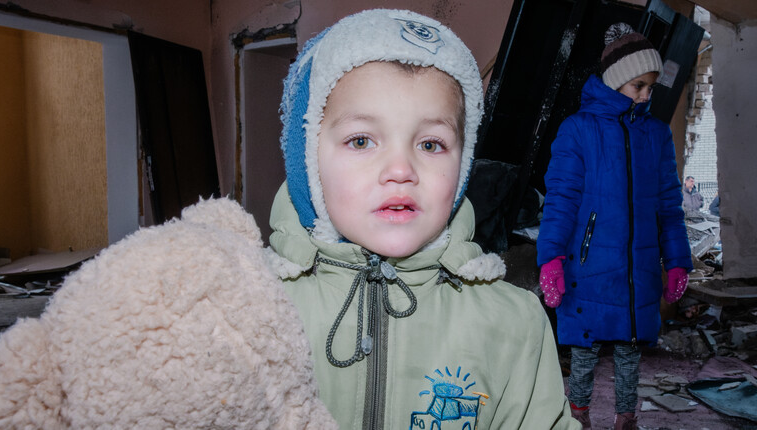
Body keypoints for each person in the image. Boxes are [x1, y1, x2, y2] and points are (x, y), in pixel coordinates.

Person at [269, 9, 579, 429]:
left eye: (431, 144)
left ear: (464, 160)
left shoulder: (513, 324)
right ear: (307, 160)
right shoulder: (254, 310)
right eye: (361, 140)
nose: (401, 168)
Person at [536, 22, 693, 430]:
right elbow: (561, 199)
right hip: (588, 263)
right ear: (615, 80)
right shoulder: (578, 130)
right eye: (638, 85)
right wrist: (551, 256)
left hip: (637, 267)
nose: (645, 95)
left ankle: (627, 419)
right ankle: (578, 417)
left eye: (650, 88)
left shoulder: (656, 136)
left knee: (630, 348)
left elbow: (668, 206)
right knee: (584, 350)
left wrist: (677, 260)